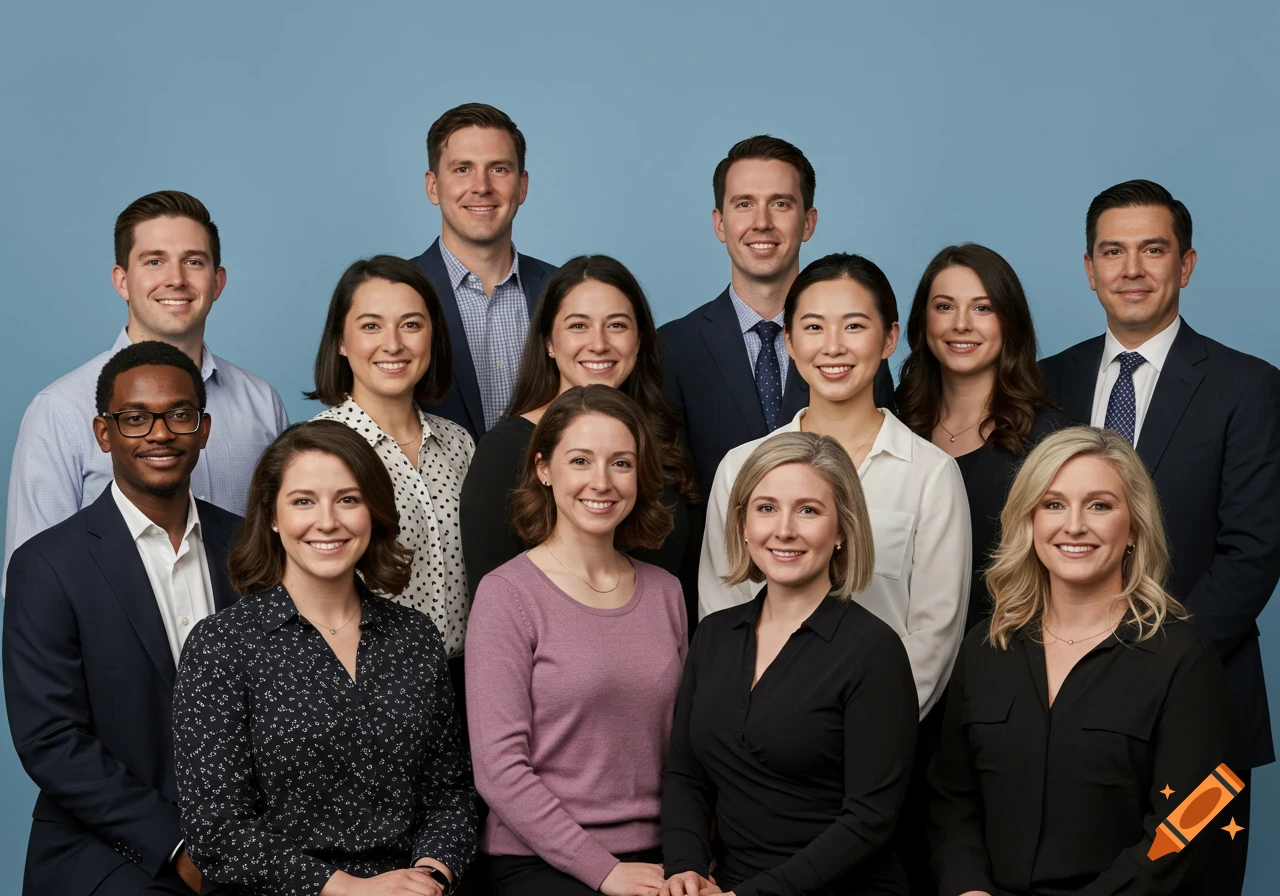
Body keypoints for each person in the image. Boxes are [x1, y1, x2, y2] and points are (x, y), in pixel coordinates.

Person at [1040, 179, 1280, 893]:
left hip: (1206, 710)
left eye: (1153, 249)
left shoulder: (1249, 387)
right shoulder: (1048, 383)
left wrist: (1149, 668)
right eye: (1113, 251)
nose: (1132, 269)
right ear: (1089, 269)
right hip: (1068, 717)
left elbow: (1254, 551)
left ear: (1188, 263)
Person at [173, 420, 476, 895]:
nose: (328, 521)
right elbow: (218, 832)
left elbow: (450, 792)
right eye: (303, 501)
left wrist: (430, 875)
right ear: (272, 516)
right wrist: (350, 888)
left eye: (348, 499)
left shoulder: (415, 638)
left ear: (372, 511)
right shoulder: (221, 646)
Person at [928, 426, 1231, 896]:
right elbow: (952, 798)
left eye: (1099, 505)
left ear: (1133, 528)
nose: (1073, 525)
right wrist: (969, 889)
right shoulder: (986, 648)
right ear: (1029, 522)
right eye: (1052, 504)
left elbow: (1187, 826)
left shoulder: (1184, 660)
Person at [4, 341, 241, 895]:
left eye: (179, 414)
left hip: (242, 840)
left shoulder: (249, 549)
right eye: (134, 418)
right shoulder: (46, 566)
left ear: (203, 429)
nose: (159, 433)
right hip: (107, 848)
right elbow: (51, 739)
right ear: (103, 433)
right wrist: (179, 847)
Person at [700, 253, 970, 719]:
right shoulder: (741, 466)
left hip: (878, 733)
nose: (833, 347)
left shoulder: (931, 474)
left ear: (889, 338)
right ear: (787, 340)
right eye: (813, 327)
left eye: (854, 326)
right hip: (757, 729)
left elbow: (934, 634)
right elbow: (723, 606)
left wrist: (865, 725)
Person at [662, 431, 918, 896]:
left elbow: (868, 821)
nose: (784, 529)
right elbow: (686, 775)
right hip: (729, 884)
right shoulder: (714, 636)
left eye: (808, 510)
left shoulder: (873, 650)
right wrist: (685, 867)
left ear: (842, 529)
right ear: (742, 523)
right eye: (766, 508)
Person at [465, 386, 687, 896]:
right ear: (544, 469)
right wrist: (603, 870)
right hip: (543, 859)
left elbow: (684, 750)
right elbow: (499, 772)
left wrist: (688, 854)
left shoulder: (665, 592)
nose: (601, 482)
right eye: (580, 460)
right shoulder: (507, 595)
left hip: (659, 855)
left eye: (621, 463)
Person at [5, 190, 287, 579]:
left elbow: (285, 547)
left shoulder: (261, 403)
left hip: (248, 637)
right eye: (154, 261)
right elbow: (32, 580)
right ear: (122, 280)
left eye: (193, 261)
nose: (175, 279)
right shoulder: (60, 410)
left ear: (217, 281)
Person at [659, 135, 895, 500]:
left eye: (780, 204)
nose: (762, 222)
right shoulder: (672, 348)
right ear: (720, 224)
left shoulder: (854, 346)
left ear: (808, 222)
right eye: (744, 204)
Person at [460, 255, 698, 608]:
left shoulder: (663, 437)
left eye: (617, 325)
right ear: (549, 342)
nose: (599, 344)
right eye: (578, 326)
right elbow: (494, 610)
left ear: (639, 340)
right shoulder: (504, 452)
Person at [308, 255, 474, 710]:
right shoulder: (319, 449)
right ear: (341, 340)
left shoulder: (460, 444)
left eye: (411, 325)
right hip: (367, 687)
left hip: (469, 683)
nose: (393, 344)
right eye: (371, 326)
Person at [898, 243, 1068, 633]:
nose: (961, 324)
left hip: (1006, 657)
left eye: (982, 308)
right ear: (922, 321)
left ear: (1009, 322)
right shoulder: (894, 427)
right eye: (944, 307)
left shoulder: (1050, 441)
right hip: (896, 658)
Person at [409, 102, 557, 442]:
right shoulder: (395, 293)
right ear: (433, 186)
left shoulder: (563, 292)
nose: (481, 186)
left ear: (522, 186)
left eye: (499, 169)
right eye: (462, 169)